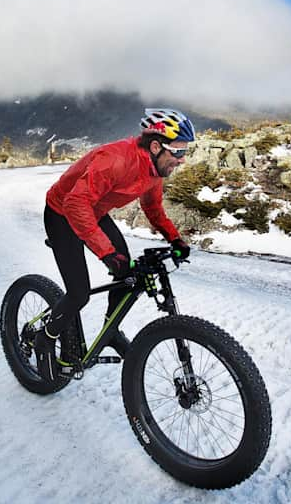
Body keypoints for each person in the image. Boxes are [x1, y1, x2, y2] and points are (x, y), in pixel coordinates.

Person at [35, 108, 195, 382]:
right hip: (63, 212)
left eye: (185, 152)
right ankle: (44, 338)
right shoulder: (116, 160)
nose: (181, 160)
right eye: (178, 152)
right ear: (156, 146)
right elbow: (75, 203)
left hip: (93, 211)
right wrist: (106, 252)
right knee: (79, 293)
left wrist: (175, 239)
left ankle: (111, 330)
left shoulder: (154, 170)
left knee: (128, 275)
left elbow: (153, 208)